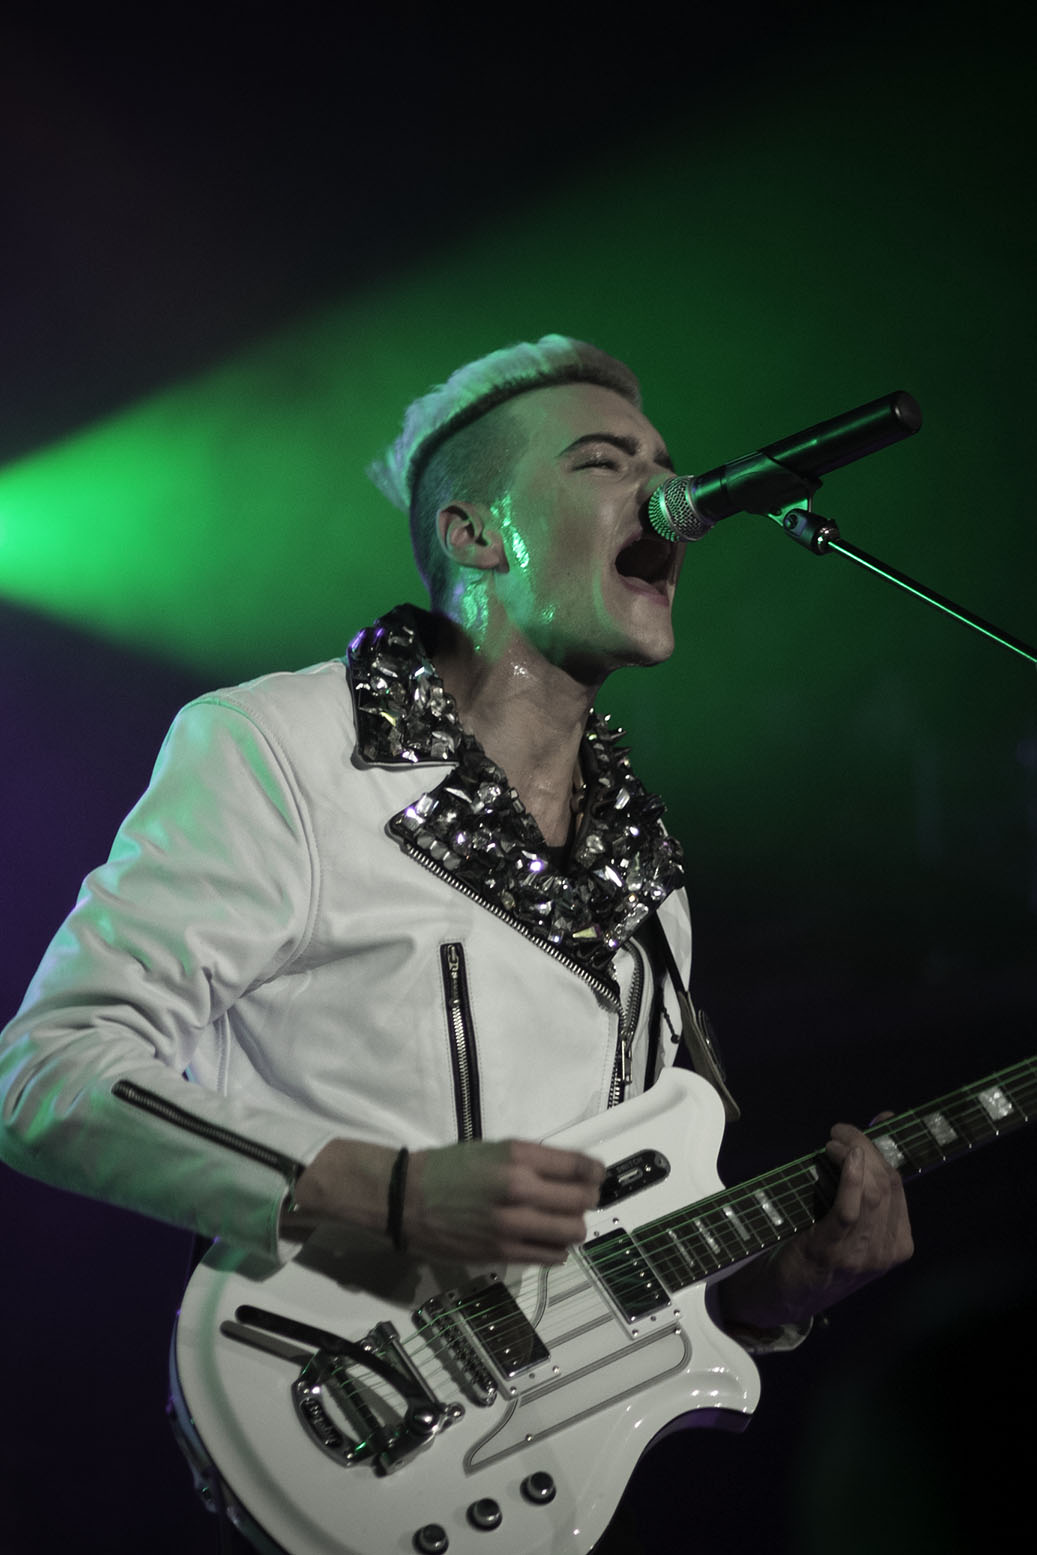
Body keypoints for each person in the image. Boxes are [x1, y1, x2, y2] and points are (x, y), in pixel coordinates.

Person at [0, 335, 913, 1554]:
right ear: (476, 535)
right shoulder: (281, 748)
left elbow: (601, 1277)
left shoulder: (645, 867)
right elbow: (47, 1071)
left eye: (663, 464)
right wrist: (391, 1192)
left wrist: (764, 1297)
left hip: (517, 1493)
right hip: (319, 1412)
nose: (665, 494)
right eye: (604, 463)